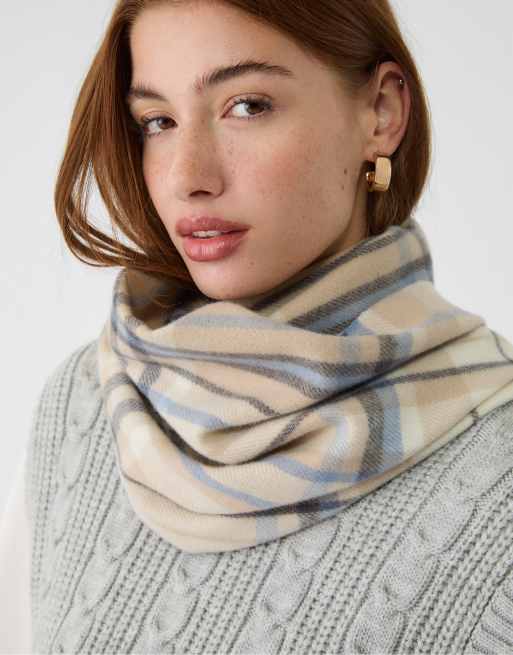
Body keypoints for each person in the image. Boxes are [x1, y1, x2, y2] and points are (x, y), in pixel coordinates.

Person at [2, 0, 513, 653]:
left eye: (247, 106)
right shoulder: (84, 405)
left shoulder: (496, 477)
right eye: (158, 121)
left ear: (380, 113)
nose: (187, 176)